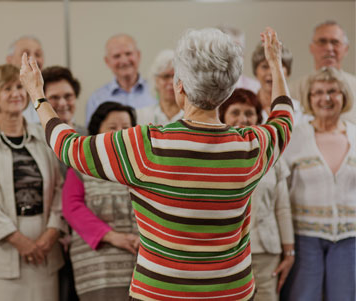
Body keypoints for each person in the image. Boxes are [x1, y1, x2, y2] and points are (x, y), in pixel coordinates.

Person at [20, 26, 294, 300]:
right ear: (230, 88)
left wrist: (38, 96)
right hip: (232, 291)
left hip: (159, 292)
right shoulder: (251, 146)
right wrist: (275, 66)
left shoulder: (146, 145)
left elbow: (68, 146)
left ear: (180, 86)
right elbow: (283, 117)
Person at [0, 64, 66, 301]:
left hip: (45, 251)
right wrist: (19, 241)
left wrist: (52, 231)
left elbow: (59, 187)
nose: (16, 93)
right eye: (7, 88)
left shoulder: (43, 135)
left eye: (20, 86)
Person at [281, 67, 356, 301]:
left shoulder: (355, 134)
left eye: (333, 91)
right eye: (318, 93)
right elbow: (281, 190)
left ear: (343, 96)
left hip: (348, 237)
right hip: (305, 239)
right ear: (309, 98)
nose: (326, 98)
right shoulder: (295, 136)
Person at [219, 88, 295, 301]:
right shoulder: (214, 154)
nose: (242, 119)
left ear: (258, 117)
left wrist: (289, 251)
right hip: (226, 254)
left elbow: (282, 208)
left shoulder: (271, 153)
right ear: (223, 116)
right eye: (235, 112)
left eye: (249, 113)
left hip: (265, 251)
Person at [63, 101, 139, 301]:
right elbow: (72, 208)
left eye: (126, 128)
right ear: (97, 131)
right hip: (99, 269)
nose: (120, 133)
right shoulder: (82, 167)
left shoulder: (142, 168)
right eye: (112, 128)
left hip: (142, 267)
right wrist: (112, 236)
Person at [41, 65, 84, 301]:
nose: (63, 102)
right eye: (54, 98)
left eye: (68, 96)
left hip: (86, 236)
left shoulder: (91, 135)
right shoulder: (36, 139)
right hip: (49, 237)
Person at [290, 20, 356, 123]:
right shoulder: (292, 90)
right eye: (322, 42)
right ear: (311, 48)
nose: (329, 48)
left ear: (346, 49)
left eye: (335, 42)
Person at [85, 34, 156, 124]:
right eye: (117, 56)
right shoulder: (96, 99)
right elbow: (92, 136)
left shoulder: (157, 91)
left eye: (128, 53)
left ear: (138, 55)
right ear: (107, 61)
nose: (124, 60)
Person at [251, 42, 309, 124]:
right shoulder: (246, 108)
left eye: (277, 66)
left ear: (288, 72)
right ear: (255, 72)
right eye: (265, 66)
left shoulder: (301, 111)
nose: (271, 72)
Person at [136, 50, 183, 125]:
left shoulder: (192, 116)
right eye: (166, 76)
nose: (171, 82)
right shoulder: (141, 116)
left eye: (176, 77)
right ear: (155, 80)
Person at [7, 36, 45, 124]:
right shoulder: (2, 96)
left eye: (38, 54)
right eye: (26, 54)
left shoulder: (52, 93)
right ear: (9, 60)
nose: (33, 59)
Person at [217, 24, 261, 93]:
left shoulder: (255, 88)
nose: (237, 55)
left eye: (240, 49)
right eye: (232, 49)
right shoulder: (207, 87)